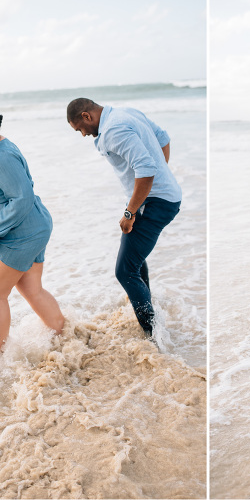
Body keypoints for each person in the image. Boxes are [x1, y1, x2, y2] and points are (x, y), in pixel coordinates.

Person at [66, 98, 181, 337]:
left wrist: (130, 212)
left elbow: (146, 169)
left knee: (125, 271)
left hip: (155, 203)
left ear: (87, 116)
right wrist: (161, 176)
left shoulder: (113, 130)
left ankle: (153, 334)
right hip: (157, 197)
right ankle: (151, 312)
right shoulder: (126, 112)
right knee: (133, 261)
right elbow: (163, 138)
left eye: (80, 129)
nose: (83, 135)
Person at [0, 99, 65, 349]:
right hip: (33, 225)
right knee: (32, 289)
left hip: (20, 231)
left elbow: (22, 198)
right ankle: (65, 335)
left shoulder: (0, 156)